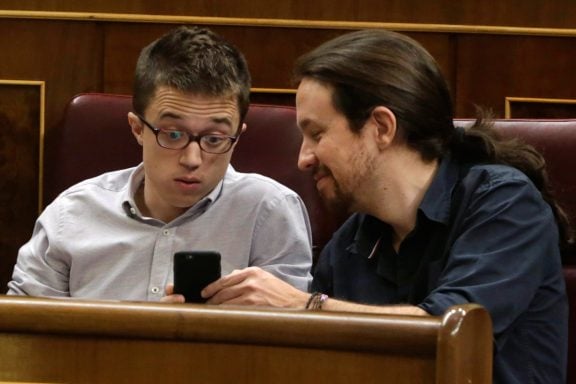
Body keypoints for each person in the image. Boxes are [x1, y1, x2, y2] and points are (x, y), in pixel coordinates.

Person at [197, 30, 569, 383]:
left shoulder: (505, 201)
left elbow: (450, 331)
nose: (303, 159)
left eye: (317, 134)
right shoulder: (349, 243)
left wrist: (306, 308)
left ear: (381, 127)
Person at [7, 25, 312, 300]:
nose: (192, 160)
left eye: (215, 139)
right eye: (173, 134)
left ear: (238, 136)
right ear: (137, 129)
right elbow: (26, 337)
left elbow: (289, 340)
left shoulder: (271, 213)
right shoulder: (70, 215)